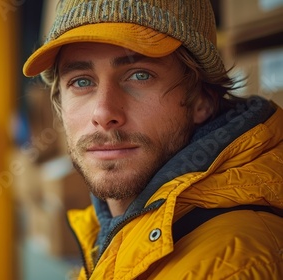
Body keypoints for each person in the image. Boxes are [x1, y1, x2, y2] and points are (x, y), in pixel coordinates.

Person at [23, 0, 283, 279]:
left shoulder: (232, 267)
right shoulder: (109, 230)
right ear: (59, 105)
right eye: (82, 82)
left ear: (201, 101)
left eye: (139, 75)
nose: (103, 112)